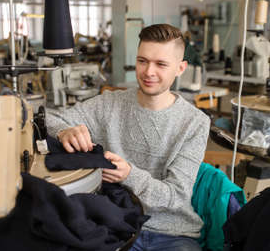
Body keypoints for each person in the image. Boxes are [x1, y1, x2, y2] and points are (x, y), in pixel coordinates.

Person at [46, 23, 210, 251]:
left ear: (180, 68)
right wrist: (65, 131)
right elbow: (50, 117)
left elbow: (176, 197)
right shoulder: (110, 103)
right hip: (115, 223)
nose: (148, 72)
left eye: (161, 64)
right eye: (142, 61)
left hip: (171, 233)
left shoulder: (194, 123)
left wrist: (129, 175)